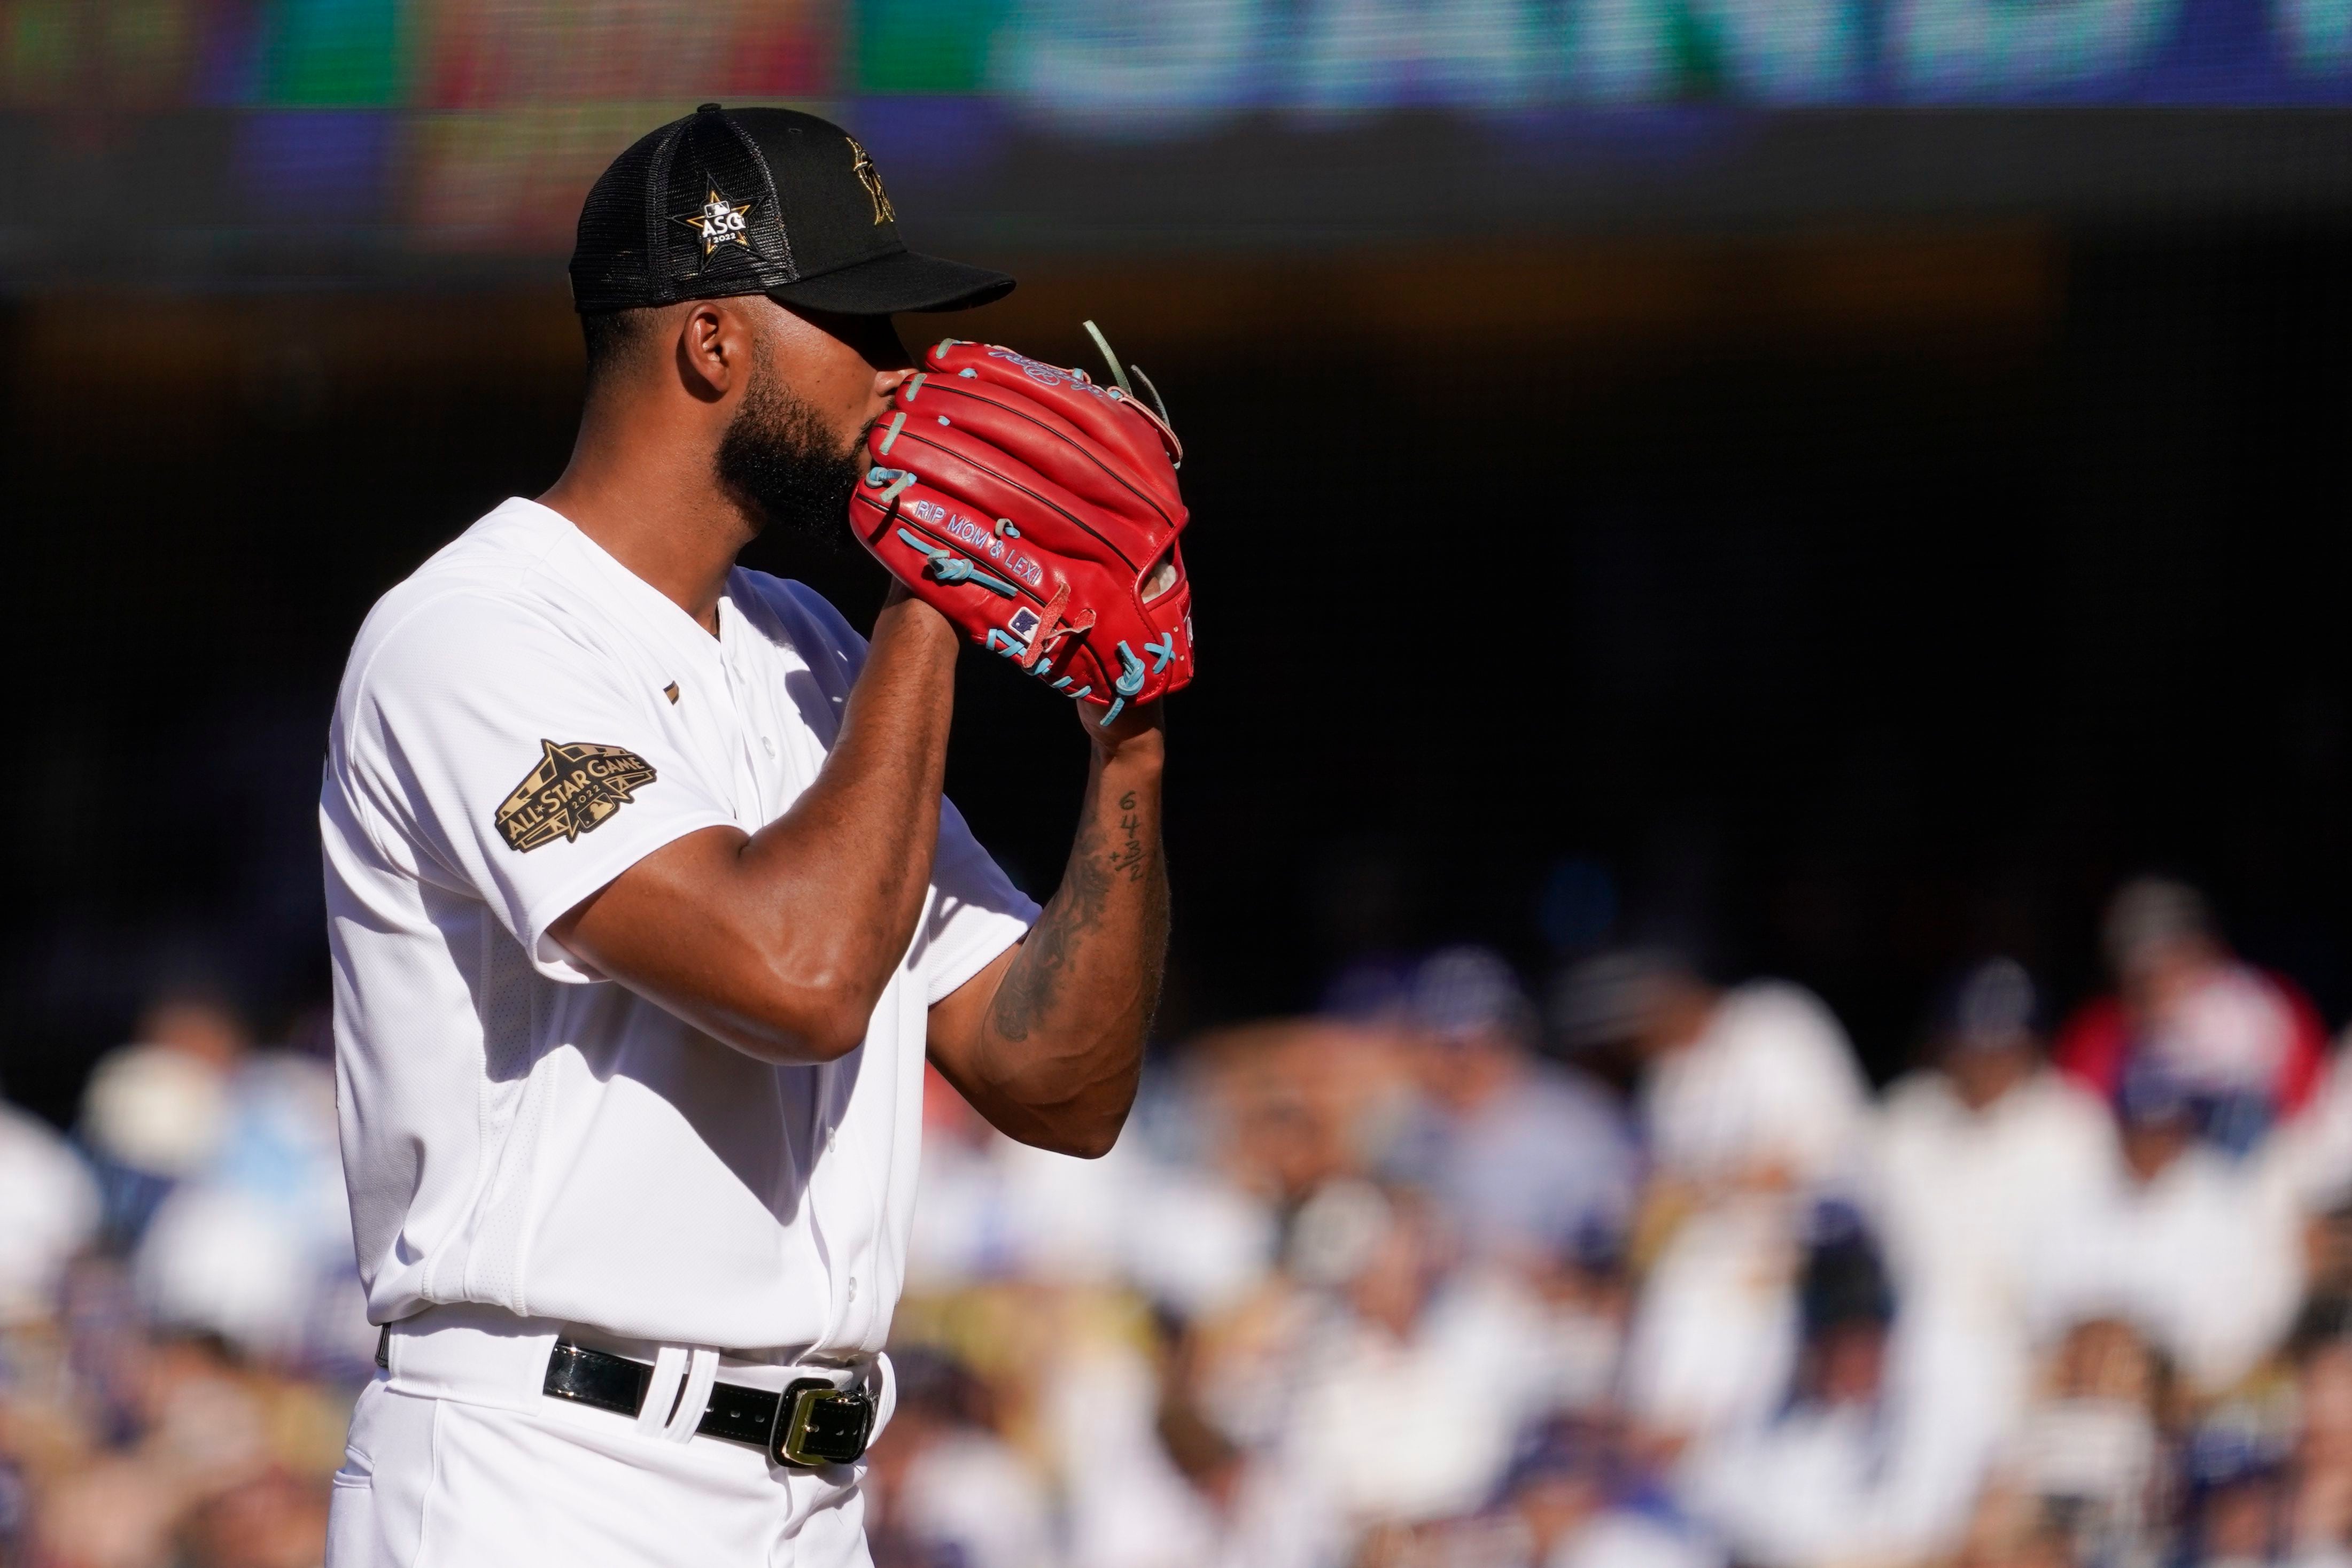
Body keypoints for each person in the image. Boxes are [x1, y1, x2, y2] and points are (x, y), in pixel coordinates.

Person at [317, 104, 1171, 1567]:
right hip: (545, 1475)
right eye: (859, 322)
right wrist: (937, 594)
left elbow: (1055, 1083)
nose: (906, 374)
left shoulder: (802, 645)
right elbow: (801, 977)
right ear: (712, 345)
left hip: (809, 1497)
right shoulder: (472, 638)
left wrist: (1129, 729)